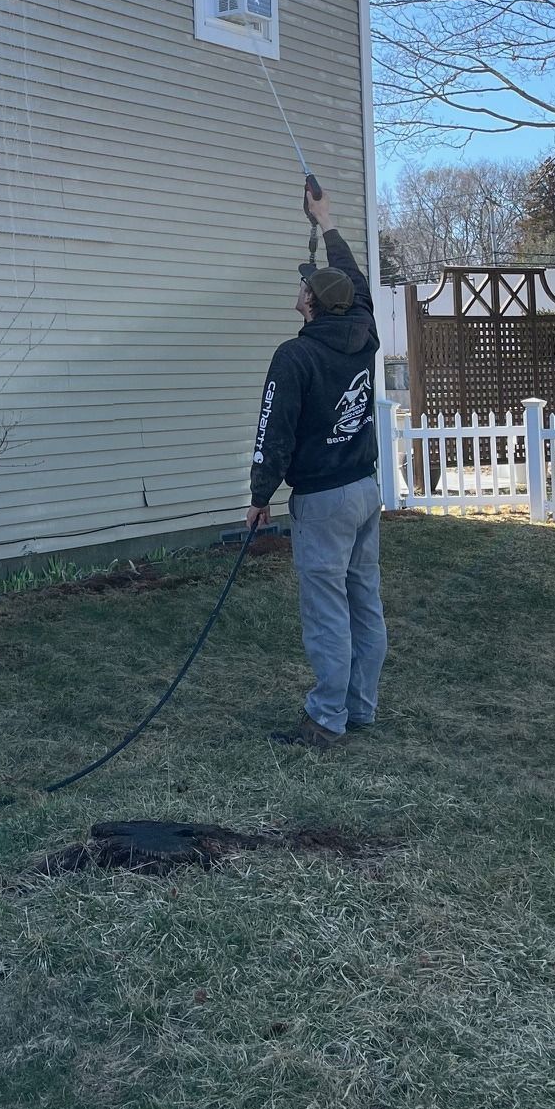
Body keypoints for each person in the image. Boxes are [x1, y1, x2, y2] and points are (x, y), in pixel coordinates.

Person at [245, 190, 386, 750]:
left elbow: (272, 435)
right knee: (363, 601)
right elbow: (351, 278)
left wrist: (259, 497)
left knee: (328, 612)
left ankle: (327, 720)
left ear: (310, 302)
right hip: (365, 490)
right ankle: (361, 709)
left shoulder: (295, 356)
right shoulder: (364, 333)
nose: (299, 285)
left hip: (325, 503)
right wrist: (325, 221)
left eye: (305, 283)